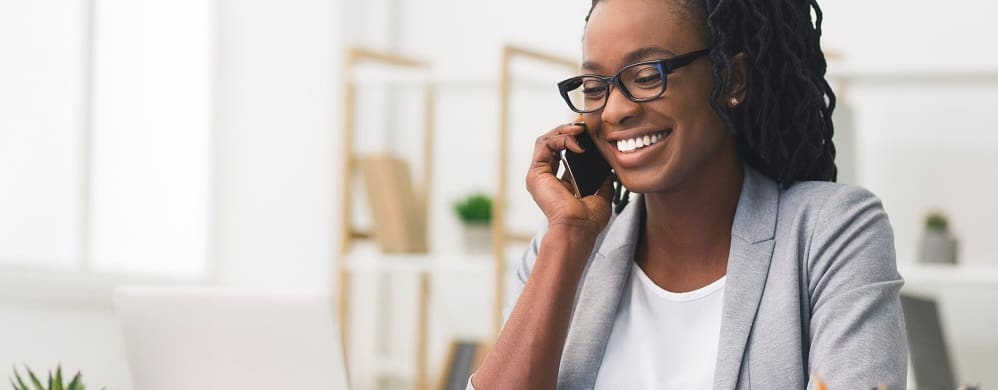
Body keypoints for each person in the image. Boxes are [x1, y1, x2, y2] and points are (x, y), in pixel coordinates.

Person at [470, 0, 908, 389]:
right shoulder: (563, 254)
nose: (616, 110)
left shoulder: (832, 231)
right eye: (595, 87)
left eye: (646, 76)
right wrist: (566, 236)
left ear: (731, 79)